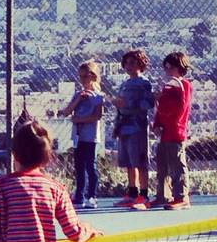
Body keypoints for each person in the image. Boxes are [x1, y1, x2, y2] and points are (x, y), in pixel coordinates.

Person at [112, 48, 155, 210]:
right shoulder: (124, 84)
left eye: (133, 63)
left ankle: (143, 195)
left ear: (141, 64)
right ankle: (132, 192)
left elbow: (148, 103)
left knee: (140, 161)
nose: (129, 66)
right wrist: (117, 125)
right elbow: (120, 107)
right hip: (124, 127)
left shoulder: (144, 83)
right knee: (129, 162)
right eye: (127, 63)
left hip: (137, 127)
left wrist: (129, 105)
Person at [58, 60, 103, 209]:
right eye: (80, 77)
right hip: (78, 137)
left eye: (85, 76)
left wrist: (79, 119)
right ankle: (79, 196)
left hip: (91, 137)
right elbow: (66, 112)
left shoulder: (97, 96)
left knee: (91, 166)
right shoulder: (78, 94)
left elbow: (97, 116)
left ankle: (92, 196)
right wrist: (78, 99)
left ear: (93, 76)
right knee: (79, 167)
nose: (82, 80)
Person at [151, 51, 193, 210]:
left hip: (176, 132)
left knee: (177, 165)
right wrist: (156, 124)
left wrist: (160, 98)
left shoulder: (184, 85)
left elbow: (179, 108)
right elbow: (160, 109)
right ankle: (163, 195)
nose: (167, 70)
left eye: (170, 67)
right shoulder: (168, 87)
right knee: (162, 165)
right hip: (164, 132)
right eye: (166, 67)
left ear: (179, 67)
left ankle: (182, 197)